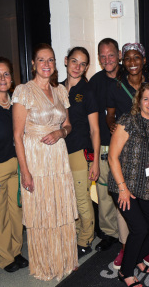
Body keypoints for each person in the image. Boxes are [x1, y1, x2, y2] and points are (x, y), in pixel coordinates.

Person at [12, 43, 78, 281]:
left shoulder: (60, 90)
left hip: (58, 157)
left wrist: (61, 133)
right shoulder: (23, 91)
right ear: (33, 64)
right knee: (42, 211)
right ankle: (46, 263)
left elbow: (68, 125)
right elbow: (17, 136)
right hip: (35, 157)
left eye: (50, 60)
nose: (46, 64)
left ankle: (64, 258)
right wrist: (25, 172)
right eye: (41, 60)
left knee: (59, 207)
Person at [108, 82, 149, 287]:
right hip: (125, 185)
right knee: (140, 229)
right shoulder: (128, 121)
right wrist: (123, 189)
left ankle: (133, 258)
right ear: (139, 102)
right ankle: (125, 273)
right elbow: (112, 157)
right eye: (146, 98)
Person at [107, 42, 149, 269]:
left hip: (147, 154)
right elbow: (110, 115)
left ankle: (141, 247)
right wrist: (115, 129)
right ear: (122, 62)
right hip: (125, 154)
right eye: (127, 58)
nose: (132, 62)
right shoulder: (116, 86)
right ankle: (126, 247)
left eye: (137, 58)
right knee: (125, 203)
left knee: (146, 203)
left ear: (144, 60)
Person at [61, 46, 100, 259]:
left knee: (82, 199)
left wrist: (95, 162)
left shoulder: (87, 91)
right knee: (69, 199)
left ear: (86, 68)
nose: (77, 67)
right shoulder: (56, 89)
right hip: (59, 152)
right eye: (74, 61)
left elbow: (95, 129)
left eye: (83, 63)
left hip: (80, 150)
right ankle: (76, 234)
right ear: (66, 61)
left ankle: (86, 239)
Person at [0, 57, 28, 273]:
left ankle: (15, 251)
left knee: (15, 211)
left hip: (15, 166)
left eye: (6, 74)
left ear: (12, 79)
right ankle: (5, 258)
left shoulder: (16, 101)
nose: (2, 78)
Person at [89, 38, 121, 252]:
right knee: (104, 192)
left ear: (118, 55)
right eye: (103, 56)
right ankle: (109, 233)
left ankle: (129, 232)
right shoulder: (95, 81)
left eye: (111, 55)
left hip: (126, 146)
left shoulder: (131, 76)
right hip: (103, 146)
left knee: (124, 190)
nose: (107, 59)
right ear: (99, 59)